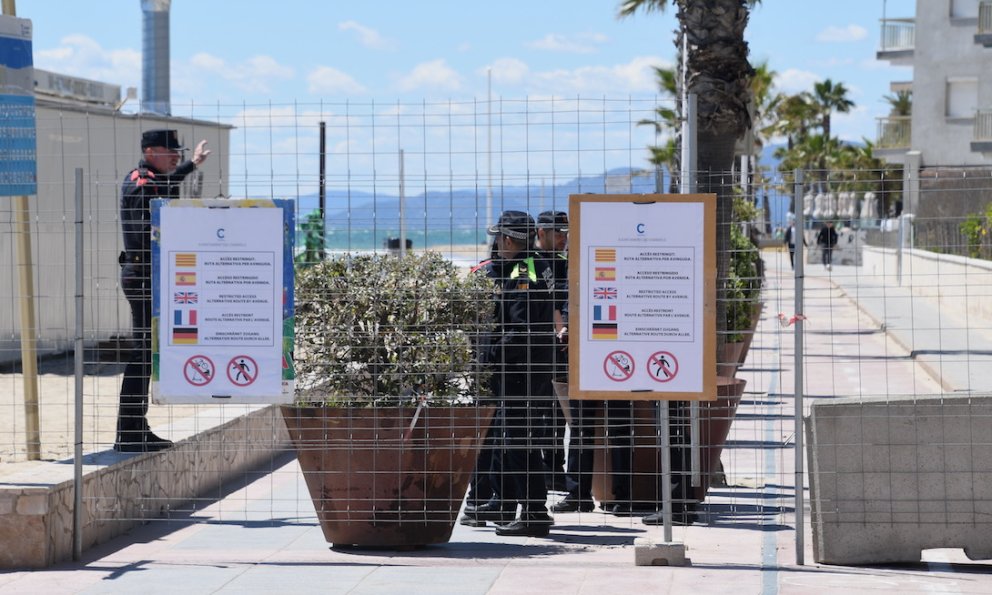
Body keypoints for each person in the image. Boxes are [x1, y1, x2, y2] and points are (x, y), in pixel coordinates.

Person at [460, 211, 557, 537]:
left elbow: (521, 329)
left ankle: (533, 512)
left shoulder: (524, 271)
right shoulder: (529, 265)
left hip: (521, 371)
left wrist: (489, 354)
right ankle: (503, 502)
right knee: (505, 438)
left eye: (499, 238)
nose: (496, 244)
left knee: (519, 441)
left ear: (508, 239)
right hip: (519, 369)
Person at [116, 129, 210, 452]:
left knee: (146, 353)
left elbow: (166, 189)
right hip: (142, 276)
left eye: (179, 153)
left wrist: (192, 166)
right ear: (151, 151)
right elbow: (150, 231)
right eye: (171, 152)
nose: (176, 157)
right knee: (143, 353)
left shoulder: (151, 181)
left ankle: (134, 426)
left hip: (145, 276)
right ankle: (129, 430)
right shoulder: (143, 184)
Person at [534, 210, 569, 492]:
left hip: (562, 345)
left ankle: (555, 466)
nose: (563, 239)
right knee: (541, 409)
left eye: (565, 233)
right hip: (538, 346)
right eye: (557, 233)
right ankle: (544, 467)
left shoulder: (566, 263)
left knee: (558, 410)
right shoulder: (530, 264)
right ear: (540, 233)